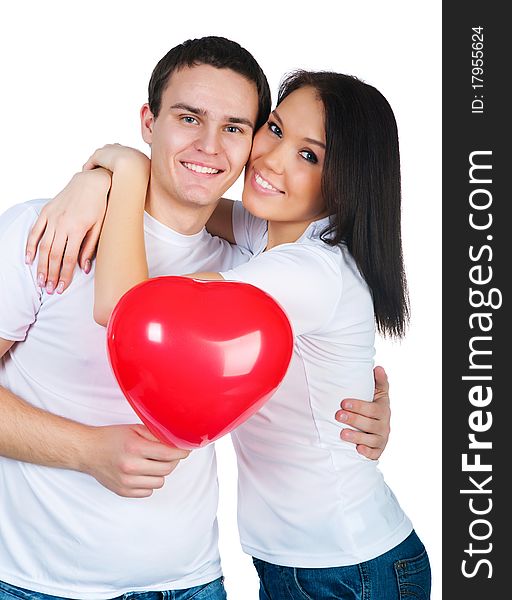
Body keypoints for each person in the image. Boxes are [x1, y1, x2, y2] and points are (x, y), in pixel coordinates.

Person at [0, 37, 391, 600]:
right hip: (35, 586)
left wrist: (364, 417)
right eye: (188, 118)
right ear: (149, 121)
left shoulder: (253, 267)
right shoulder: (51, 233)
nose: (210, 145)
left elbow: (132, 311)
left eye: (235, 126)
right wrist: (84, 450)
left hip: (193, 585)